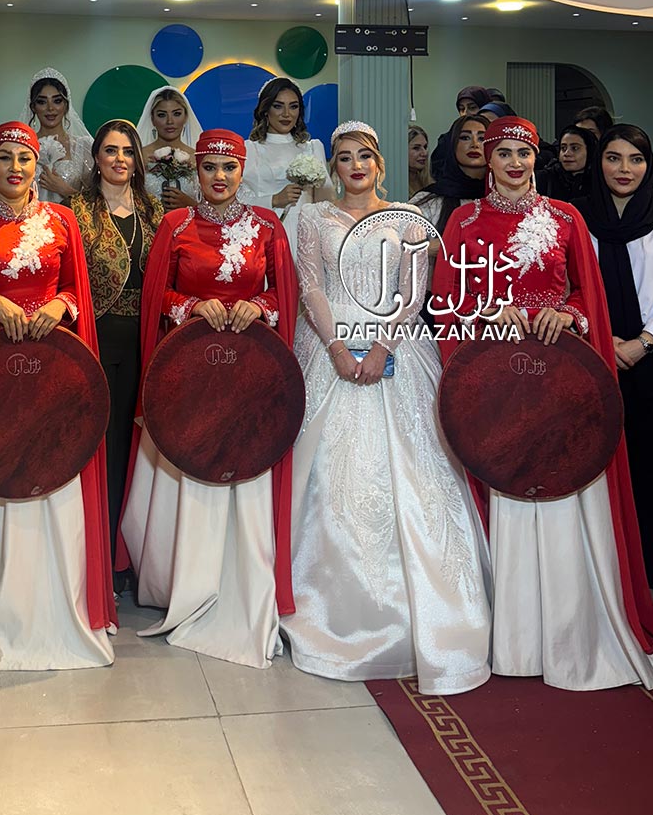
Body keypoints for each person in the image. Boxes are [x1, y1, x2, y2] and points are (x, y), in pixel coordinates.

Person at [432, 116, 653, 689]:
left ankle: (570, 630)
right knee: (509, 481)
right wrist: (489, 312)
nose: (515, 163)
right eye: (504, 153)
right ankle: (512, 636)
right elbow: (444, 301)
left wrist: (567, 314)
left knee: (561, 481)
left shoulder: (566, 217)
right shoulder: (464, 221)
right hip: (496, 379)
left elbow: (590, 294)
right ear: (487, 160)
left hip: (560, 378)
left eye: (524, 153)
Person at [285, 123, 491, 692]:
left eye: (365, 156)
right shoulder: (313, 218)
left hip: (396, 348)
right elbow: (311, 288)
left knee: (420, 477)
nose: (355, 165)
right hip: (328, 345)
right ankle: (323, 606)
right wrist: (335, 347)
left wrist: (382, 347)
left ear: (379, 164)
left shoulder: (409, 218)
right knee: (329, 477)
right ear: (333, 167)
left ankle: (433, 614)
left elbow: (413, 292)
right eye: (343, 157)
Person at [0, 122, 115, 669]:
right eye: (4, 157)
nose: (15, 167)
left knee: (52, 469)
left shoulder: (61, 221)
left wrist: (59, 305)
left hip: (52, 373)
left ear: (37, 166)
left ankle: (59, 608)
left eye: (25, 158)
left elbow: (75, 290)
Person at [119, 129, 298, 667]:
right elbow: (157, 295)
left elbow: (283, 293)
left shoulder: (267, 226)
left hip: (250, 370)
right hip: (189, 369)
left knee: (243, 458)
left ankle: (244, 577)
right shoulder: (175, 224)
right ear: (196, 171)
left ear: (243, 170)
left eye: (229, 167)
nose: (219, 177)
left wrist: (259, 306)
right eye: (209, 167)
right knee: (192, 461)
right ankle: (185, 581)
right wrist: (193, 306)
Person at [577, 125, 653, 595]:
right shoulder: (576, 220)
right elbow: (569, 287)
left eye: (636, 159)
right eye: (613, 158)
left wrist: (640, 344)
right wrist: (602, 341)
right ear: (599, 162)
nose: (624, 169)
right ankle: (597, 586)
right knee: (591, 471)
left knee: (648, 473)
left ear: (648, 166)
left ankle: (644, 586)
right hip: (590, 362)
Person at [71, 120, 163, 560]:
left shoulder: (153, 210)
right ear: (96, 158)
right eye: (110, 150)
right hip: (96, 337)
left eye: (127, 151)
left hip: (143, 341)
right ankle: (100, 556)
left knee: (135, 443)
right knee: (101, 443)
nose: (120, 159)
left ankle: (128, 555)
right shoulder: (77, 211)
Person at [240, 77, 331, 257]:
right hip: (263, 235)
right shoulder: (249, 149)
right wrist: (273, 200)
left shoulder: (312, 147)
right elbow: (237, 200)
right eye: (278, 106)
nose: (287, 114)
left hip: (305, 238)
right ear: (265, 110)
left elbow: (325, 202)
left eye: (293, 106)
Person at [412, 114, 489, 237]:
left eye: (482, 138)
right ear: (452, 144)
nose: (474, 144)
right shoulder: (429, 201)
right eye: (465, 137)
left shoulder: (502, 200)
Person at [26, 68, 93, 203]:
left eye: (57, 101)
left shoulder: (83, 146)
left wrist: (65, 190)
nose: (50, 108)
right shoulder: (24, 146)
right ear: (33, 107)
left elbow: (96, 202)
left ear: (66, 105)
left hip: (71, 215)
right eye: (42, 102)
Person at [138, 86, 202, 209]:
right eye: (162, 115)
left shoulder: (197, 158)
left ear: (185, 117)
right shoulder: (139, 157)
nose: (170, 121)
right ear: (152, 119)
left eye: (177, 114)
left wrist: (190, 204)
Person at [542, 124, 596, 203]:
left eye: (575, 148)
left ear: (590, 151)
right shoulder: (544, 178)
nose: (567, 153)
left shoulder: (599, 181)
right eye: (563, 148)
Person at [407, 124, 430, 197]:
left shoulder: (430, 184)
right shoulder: (393, 187)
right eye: (416, 148)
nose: (424, 153)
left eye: (425, 147)